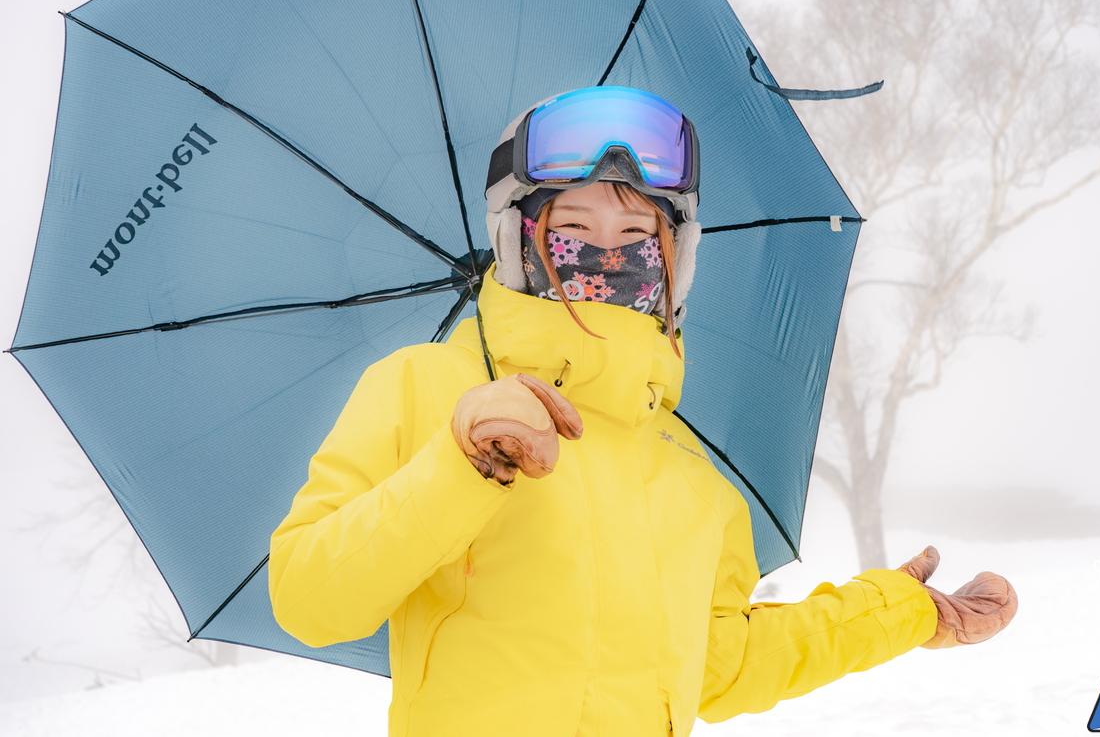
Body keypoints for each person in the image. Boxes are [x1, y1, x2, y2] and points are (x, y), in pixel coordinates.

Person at [268, 86, 1017, 737]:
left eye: (636, 235)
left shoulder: (692, 472)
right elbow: (308, 598)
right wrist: (459, 465)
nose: (607, 254)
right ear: (522, 242)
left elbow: (719, 666)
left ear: (674, 254)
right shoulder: (423, 388)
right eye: (576, 230)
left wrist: (900, 611)